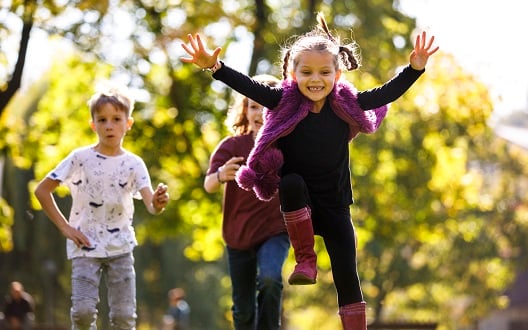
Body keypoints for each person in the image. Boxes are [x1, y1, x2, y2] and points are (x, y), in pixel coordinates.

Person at [181, 12, 438, 329]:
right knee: (290, 181)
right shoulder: (282, 101)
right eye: (306, 72)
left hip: (335, 205)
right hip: (299, 205)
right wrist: (214, 67)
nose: (315, 79)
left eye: (324, 72)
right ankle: (306, 258)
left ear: (337, 74)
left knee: (347, 274)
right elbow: (247, 85)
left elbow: (384, 94)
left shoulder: (347, 103)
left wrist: (414, 69)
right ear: (291, 73)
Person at [34, 82, 170, 329]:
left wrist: (158, 202)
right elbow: (41, 190)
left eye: (116, 119)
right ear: (93, 124)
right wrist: (66, 228)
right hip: (85, 246)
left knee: (123, 318)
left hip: (121, 248)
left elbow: (151, 204)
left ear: (128, 124)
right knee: (83, 313)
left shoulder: (134, 164)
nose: (109, 125)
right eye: (102, 119)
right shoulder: (80, 158)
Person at [203, 74, 289, 329]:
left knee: (271, 280)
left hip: (275, 231)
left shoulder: (286, 146)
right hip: (238, 236)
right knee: (242, 311)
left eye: (265, 106)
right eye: (253, 106)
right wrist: (220, 175)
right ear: (244, 109)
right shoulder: (231, 146)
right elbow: (208, 184)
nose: (259, 112)